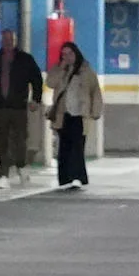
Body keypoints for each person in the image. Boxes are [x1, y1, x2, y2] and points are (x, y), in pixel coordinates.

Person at [0, 29, 43, 190]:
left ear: (15, 41)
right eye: (5, 39)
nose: (8, 42)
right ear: (1, 41)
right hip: (0, 107)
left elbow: (37, 80)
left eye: (11, 39)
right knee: (2, 141)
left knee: (20, 139)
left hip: (19, 106)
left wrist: (36, 100)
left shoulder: (25, 59)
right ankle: (3, 174)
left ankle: (21, 166)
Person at [45, 41, 104, 190]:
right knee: (64, 147)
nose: (67, 57)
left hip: (80, 115)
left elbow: (95, 91)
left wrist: (96, 111)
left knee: (77, 147)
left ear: (76, 53)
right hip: (62, 114)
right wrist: (60, 68)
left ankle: (78, 177)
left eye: (70, 54)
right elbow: (50, 83)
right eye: (64, 54)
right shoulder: (59, 70)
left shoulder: (86, 70)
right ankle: (64, 178)